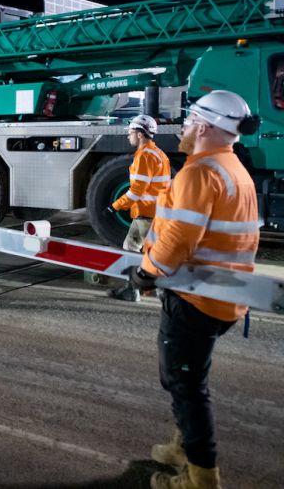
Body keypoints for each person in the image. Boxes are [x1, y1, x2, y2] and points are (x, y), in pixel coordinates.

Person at [130, 90, 260, 489]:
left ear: (204, 127)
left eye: (189, 123)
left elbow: (179, 238)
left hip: (195, 298)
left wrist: (148, 271)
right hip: (222, 295)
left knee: (184, 384)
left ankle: (201, 475)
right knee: (186, 378)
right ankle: (184, 444)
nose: (184, 128)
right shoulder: (232, 168)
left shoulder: (200, 173)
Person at [106, 114, 171, 301]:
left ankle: (161, 291)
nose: (128, 135)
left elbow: (136, 192)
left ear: (140, 134)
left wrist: (114, 207)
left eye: (130, 131)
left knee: (149, 254)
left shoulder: (144, 156)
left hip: (147, 213)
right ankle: (134, 289)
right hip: (155, 212)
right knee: (132, 247)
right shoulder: (159, 154)